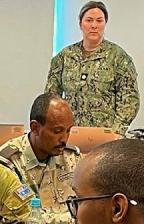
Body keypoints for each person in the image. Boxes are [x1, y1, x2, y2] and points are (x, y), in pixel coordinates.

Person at [45, 1, 139, 135]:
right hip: (70, 134)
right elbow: (51, 97)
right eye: (89, 20)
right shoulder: (64, 57)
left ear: (105, 23)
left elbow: (130, 100)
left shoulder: (118, 58)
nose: (94, 25)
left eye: (99, 21)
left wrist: (116, 132)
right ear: (80, 24)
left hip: (105, 135)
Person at [0, 93, 80, 224]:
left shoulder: (71, 156)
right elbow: (20, 220)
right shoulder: (8, 162)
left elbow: (88, 203)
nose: (64, 139)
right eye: (57, 131)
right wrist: (75, 221)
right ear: (35, 128)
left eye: (68, 130)